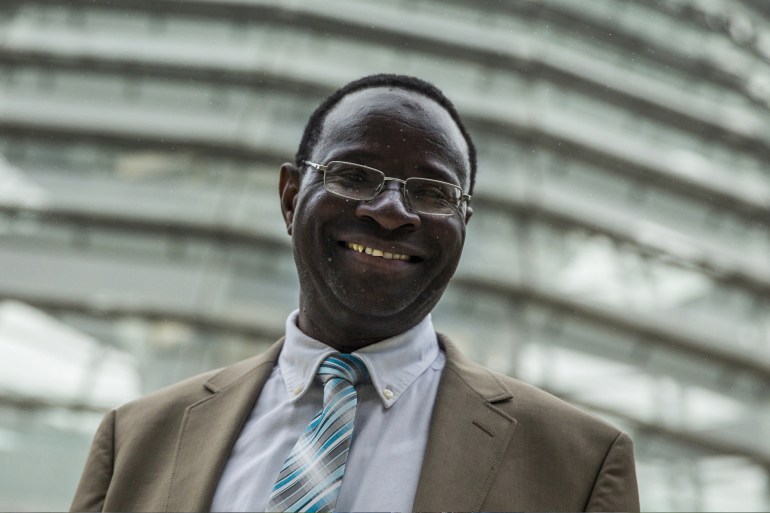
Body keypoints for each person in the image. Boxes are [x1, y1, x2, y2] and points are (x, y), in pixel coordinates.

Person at [70, 74, 639, 512]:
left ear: (464, 222)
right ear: (291, 197)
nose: (391, 212)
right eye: (354, 175)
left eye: (433, 190)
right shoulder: (137, 439)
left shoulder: (577, 463)